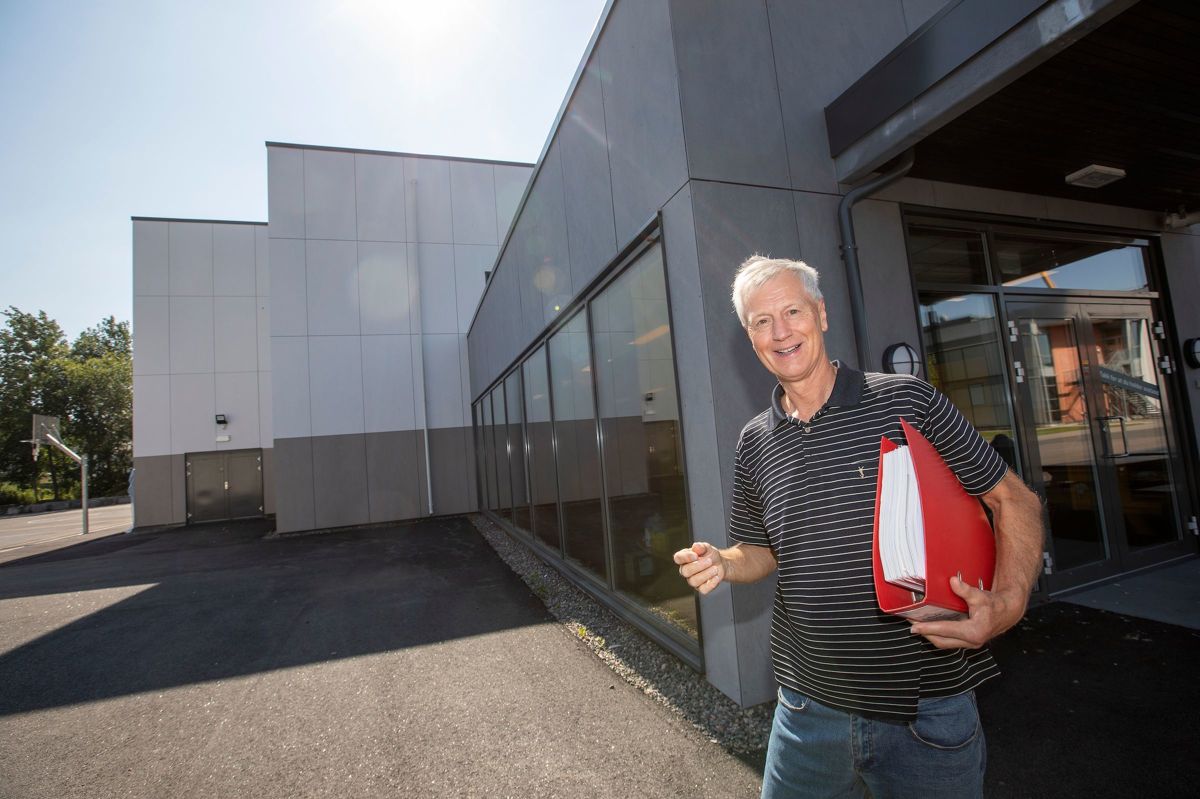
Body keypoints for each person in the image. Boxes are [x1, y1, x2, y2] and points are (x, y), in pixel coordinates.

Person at [674, 256, 1044, 798]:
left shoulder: (905, 401)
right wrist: (724, 562)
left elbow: (1014, 499)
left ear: (820, 314)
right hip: (806, 710)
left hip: (926, 709)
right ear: (749, 336)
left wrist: (1009, 602)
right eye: (761, 321)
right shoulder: (755, 440)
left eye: (792, 311)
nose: (780, 332)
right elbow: (760, 549)